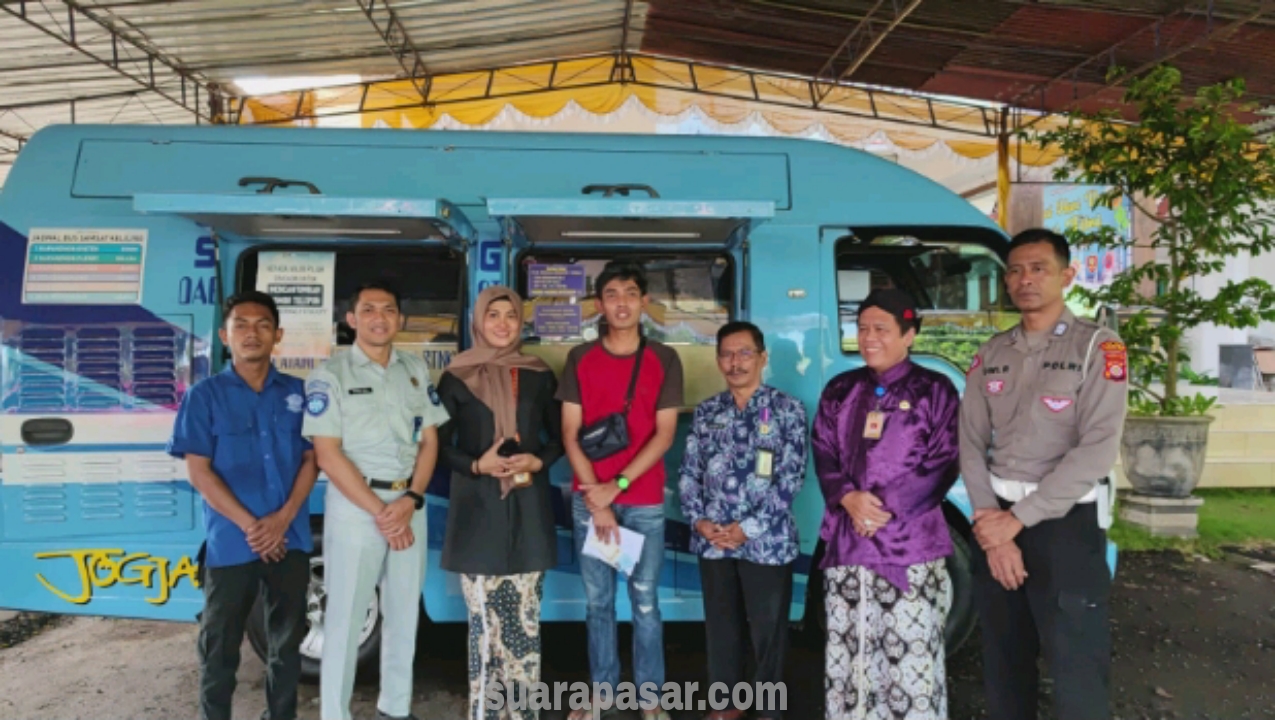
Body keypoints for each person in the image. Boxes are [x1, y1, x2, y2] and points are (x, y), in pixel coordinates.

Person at [959, 228, 1127, 720]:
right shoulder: (992, 352)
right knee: (1004, 662)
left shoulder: (1100, 347)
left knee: (1076, 666)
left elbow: (1097, 449)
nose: (1024, 279)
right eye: (1015, 270)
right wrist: (993, 523)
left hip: (1066, 525)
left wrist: (1018, 520)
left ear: (1067, 275)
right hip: (997, 521)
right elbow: (969, 441)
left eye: (1038, 268)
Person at [811, 288, 961, 720]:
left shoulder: (934, 389)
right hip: (848, 543)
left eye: (881, 328)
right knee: (849, 655)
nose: (868, 337)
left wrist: (880, 509)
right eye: (862, 328)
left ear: (909, 335)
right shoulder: (841, 388)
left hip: (907, 546)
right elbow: (822, 448)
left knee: (908, 661)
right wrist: (848, 498)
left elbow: (944, 460)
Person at [167, 290, 317, 720]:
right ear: (225, 335)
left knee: (287, 645)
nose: (252, 333)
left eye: (263, 325)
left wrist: (283, 519)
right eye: (242, 325)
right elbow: (199, 471)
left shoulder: (299, 393)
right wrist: (254, 526)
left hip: (291, 540)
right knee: (219, 646)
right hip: (231, 543)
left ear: (278, 335)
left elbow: (312, 459)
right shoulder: (204, 396)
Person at [302, 281, 449, 720]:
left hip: (408, 503)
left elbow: (429, 442)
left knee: (404, 612)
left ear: (400, 319)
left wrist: (412, 500)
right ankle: (335, 713)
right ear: (352, 319)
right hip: (356, 508)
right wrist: (382, 511)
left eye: (388, 309)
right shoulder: (330, 375)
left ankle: (395, 709)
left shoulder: (414, 369)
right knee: (345, 619)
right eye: (368, 309)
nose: (379, 317)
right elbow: (327, 453)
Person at [557, 260, 683, 720]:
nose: (622, 302)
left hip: (643, 500)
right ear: (599, 305)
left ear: (644, 301)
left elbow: (664, 435)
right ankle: (602, 693)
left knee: (645, 602)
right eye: (612, 294)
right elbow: (570, 433)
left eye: (631, 293)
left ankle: (650, 699)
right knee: (599, 602)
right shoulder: (580, 359)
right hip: (592, 500)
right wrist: (597, 497)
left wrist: (618, 486)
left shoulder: (664, 360)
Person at [436, 286, 564, 720]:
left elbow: (559, 438)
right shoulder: (455, 376)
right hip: (478, 510)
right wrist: (476, 465)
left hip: (528, 509)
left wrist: (538, 459)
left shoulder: (539, 374)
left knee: (525, 624)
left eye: (511, 315)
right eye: (494, 315)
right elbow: (438, 445)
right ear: (479, 320)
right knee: (487, 627)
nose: (503, 324)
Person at [678, 321, 807, 720]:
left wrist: (746, 529)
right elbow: (689, 473)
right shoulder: (708, 411)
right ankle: (727, 704)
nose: (735, 362)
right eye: (727, 354)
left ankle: (768, 708)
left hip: (767, 543)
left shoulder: (787, 410)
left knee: (767, 632)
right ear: (718, 360)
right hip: (712, 540)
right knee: (722, 626)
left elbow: (791, 478)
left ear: (762, 357)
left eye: (744, 353)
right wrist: (698, 521)